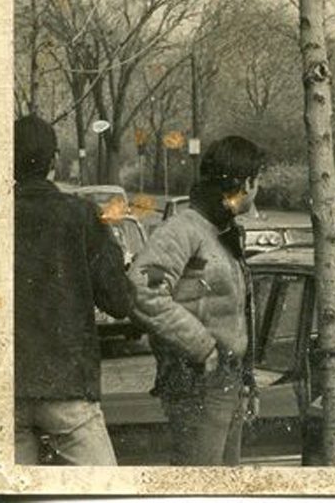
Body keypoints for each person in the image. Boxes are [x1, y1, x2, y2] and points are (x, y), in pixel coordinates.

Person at [127, 136, 265, 466]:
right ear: (245, 183)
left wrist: (246, 379)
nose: (259, 190)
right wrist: (202, 346)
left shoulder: (221, 230)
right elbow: (143, 289)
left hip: (223, 383)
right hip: (195, 385)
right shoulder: (183, 230)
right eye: (257, 181)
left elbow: (233, 313)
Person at [14, 115, 132, 465]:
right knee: (102, 490)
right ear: (54, 160)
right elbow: (119, 302)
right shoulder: (81, 215)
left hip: (6, 388)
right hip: (67, 386)